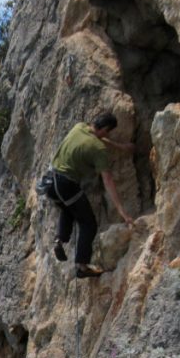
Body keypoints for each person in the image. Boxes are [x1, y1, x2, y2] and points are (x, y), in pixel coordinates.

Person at [50, 112, 134, 278]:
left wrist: (120, 147)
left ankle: (60, 239)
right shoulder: (98, 149)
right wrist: (122, 211)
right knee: (88, 223)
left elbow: (97, 138)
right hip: (66, 184)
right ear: (104, 129)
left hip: (50, 182)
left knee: (68, 209)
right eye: (108, 132)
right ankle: (82, 266)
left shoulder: (79, 127)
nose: (108, 135)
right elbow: (107, 180)